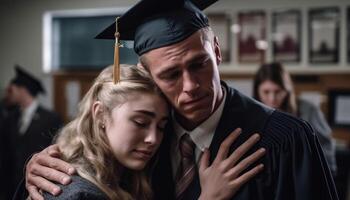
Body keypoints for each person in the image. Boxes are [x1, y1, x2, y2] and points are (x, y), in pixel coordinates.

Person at [23, 0, 339, 199]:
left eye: (199, 64)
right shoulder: (141, 143)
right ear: (147, 75)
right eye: (171, 75)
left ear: (217, 51)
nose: (190, 86)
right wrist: (35, 173)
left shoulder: (286, 140)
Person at [16, 65, 264, 200]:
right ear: (100, 114)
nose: (153, 139)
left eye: (161, 126)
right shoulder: (72, 190)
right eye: (140, 122)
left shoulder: (126, 178)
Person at [252, 62, 337, 174]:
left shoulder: (308, 110)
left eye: (277, 91)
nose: (272, 98)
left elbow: (326, 147)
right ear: (257, 91)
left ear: (287, 90)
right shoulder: (252, 113)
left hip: (304, 175)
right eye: (266, 92)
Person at [2, 65, 63, 197]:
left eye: (13, 89)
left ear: (23, 90)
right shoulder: (10, 118)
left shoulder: (50, 118)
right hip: (10, 186)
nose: (10, 93)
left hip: (38, 185)